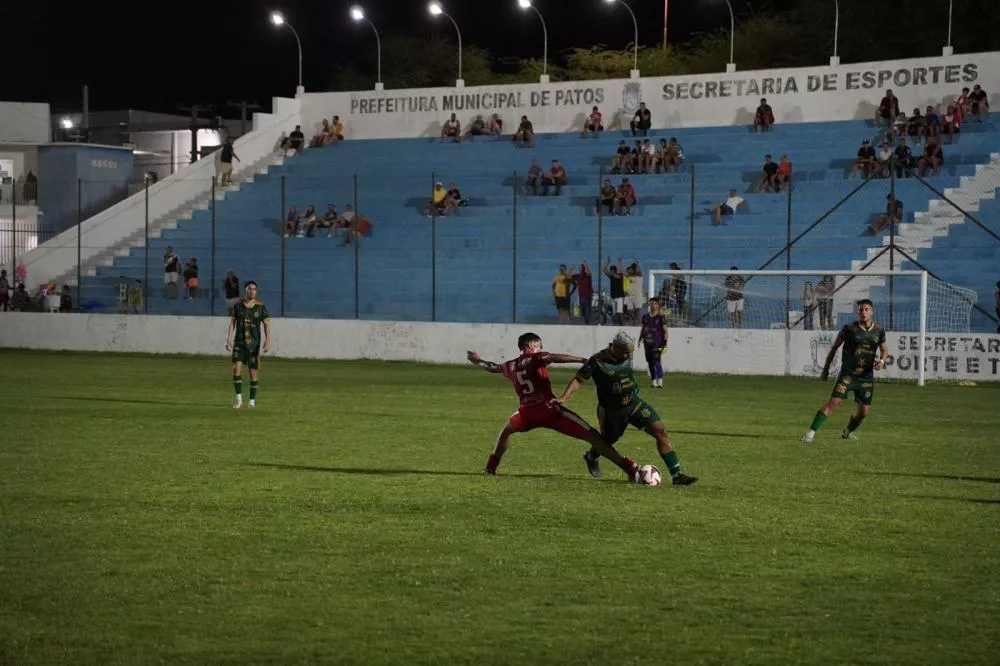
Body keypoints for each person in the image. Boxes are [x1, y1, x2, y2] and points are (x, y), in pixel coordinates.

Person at [466, 333, 642, 482]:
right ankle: (630, 468)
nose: (541, 348)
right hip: (550, 411)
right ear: (529, 346)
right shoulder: (535, 358)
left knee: (506, 432)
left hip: (526, 414)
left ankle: (490, 467)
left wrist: (478, 360)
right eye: (538, 345)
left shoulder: (510, 365)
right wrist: (582, 360)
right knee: (593, 436)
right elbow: (553, 357)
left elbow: (492, 367)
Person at [552, 331, 698, 485]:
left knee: (660, 431)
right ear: (615, 347)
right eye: (626, 352)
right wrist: (564, 397)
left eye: (631, 352)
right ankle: (591, 456)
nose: (629, 355)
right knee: (608, 441)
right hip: (613, 412)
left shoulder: (626, 354)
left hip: (634, 404)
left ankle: (677, 476)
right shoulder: (597, 361)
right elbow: (578, 381)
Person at [801, 299, 887, 442]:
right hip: (848, 375)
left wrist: (882, 361)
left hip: (866, 377)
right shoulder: (849, 328)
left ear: (871, 311)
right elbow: (834, 348)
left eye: (866, 309)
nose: (863, 312)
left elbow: (884, 350)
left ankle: (847, 432)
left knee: (864, 412)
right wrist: (826, 369)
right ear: (858, 312)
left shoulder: (879, 330)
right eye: (861, 310)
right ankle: (810, 434)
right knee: (833, 403)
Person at [225, 281, 272, 410]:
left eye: (254, 289)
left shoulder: (260, 307)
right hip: (239, 342)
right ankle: (239, 400)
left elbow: (267, 325)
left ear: (256, 291)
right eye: (249, 289)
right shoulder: (237, 305)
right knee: (236, 369)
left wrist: (268, 341)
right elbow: (232, 323)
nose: (252, 291)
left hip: (254, 345)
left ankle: (252, 401)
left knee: (253, 374)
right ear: (245, 290)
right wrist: (228, 338)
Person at [640, 297, 668, 388]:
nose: (653, 305)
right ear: (649, 305)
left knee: (657, 361)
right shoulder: (645, 317)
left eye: (655, 303)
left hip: (657, 343)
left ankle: (660, 381)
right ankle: (653, 381)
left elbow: (665, 330)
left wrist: (664, 343)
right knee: (650, 362)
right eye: (651, 303)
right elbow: (644, 328)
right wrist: (640, 338)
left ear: (658, 305)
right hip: (647, 343)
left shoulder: (661, 317)